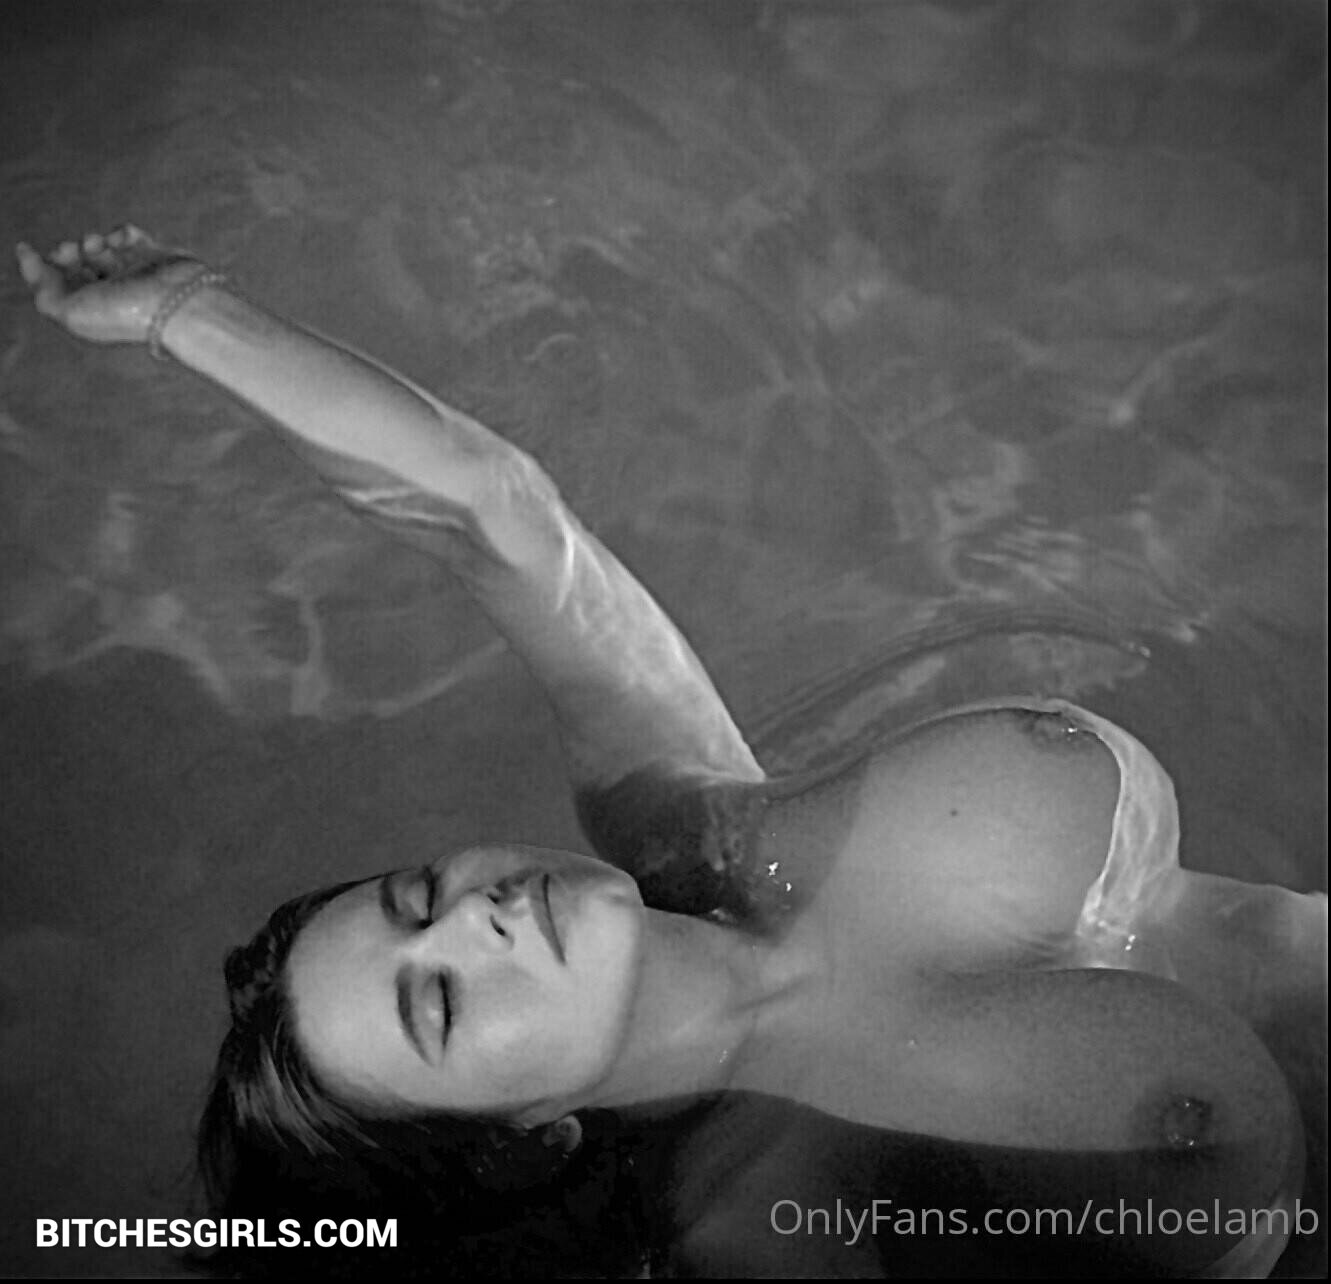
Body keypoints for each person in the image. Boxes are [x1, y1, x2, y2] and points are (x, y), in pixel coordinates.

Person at [17, 228, 1327, 1278]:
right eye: (440, 1003)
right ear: (526, 1140)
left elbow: (496, 517)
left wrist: (183, 314)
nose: (471, 920)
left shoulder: (693, 826)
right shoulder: (776, 1223)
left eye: (418, 896)